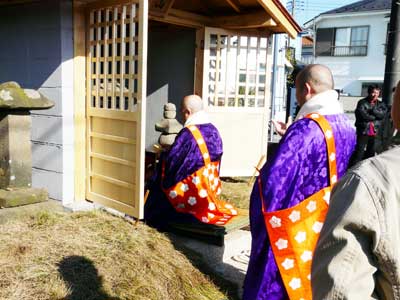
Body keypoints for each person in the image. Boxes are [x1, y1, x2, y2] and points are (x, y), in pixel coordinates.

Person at [243, 64, 356, 300]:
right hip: (326, 213)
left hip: (294, 219)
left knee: (282, 272)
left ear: (306, 89)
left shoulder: (306, 129)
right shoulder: (346, 124)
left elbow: (274, 182)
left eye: (296, 90)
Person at [311, 80, 400, 300]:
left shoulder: (370, 181)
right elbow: (367, 117)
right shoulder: (360, 107)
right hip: (368, 138)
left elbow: (339, 290)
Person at [144, 95, 237, 230]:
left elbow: (173, 161)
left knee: (160, 176)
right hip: (209, 186)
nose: (183, 116)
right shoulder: (213, 130)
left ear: (188, 111)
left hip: (192, 189)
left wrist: (163, 156)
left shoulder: (188, 134)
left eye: (183, 112)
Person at [351, 85, 387, 165]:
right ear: (369, 92)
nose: (375, 95)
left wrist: (373, 111)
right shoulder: (362, 102)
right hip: (363, 130)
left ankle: (366, 169)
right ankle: (352, 168)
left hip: (375, 131)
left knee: (371, 152)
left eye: (377, 93)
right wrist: (376, 116)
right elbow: (362, 115)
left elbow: (383, 115)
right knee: (359, 152)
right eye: (373, 92)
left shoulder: (381, 104)